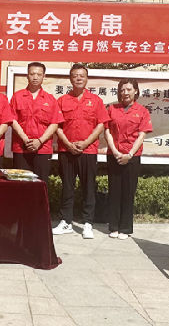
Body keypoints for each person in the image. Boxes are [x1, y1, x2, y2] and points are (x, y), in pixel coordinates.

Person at [52, 63, 109, 239]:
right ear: (70, 79)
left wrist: (85, 143)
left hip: (88, 151)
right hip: (66, 150)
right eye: (75, 75)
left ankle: (87, 223)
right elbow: (57, 125)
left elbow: (101, 125)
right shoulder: (62, 101)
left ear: (86, 79)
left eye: (81, 76)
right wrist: (68, 144)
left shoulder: (96, 101)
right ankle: (66, 222)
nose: (78, 78)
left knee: (88, 187)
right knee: (67, 187)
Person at [105, 78, 153, 240]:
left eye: (128, 89)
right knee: (114, 192)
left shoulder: (142, 111)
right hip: (114, 155)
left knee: (128, 193)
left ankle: (125, 228)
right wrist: (115, 151)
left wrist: (130, 154)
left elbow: (142, 135)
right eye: (122, 90)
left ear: (136, 91)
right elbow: (107, 131)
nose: (125, 92)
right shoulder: (112, 109)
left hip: (132, 157)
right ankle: (114, 226)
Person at [10, 62, 63, 185]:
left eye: (39, 74)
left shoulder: (50, 99)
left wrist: (40, 141)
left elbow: (54, 123)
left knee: (40, 185)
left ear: (44, 76)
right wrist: (25, 139)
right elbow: (12, 120)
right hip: (21, 148)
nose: (35, 77)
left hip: (42, 149)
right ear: (27, 76)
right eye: (32, 74)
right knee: (20, 185)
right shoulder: (17, 97)